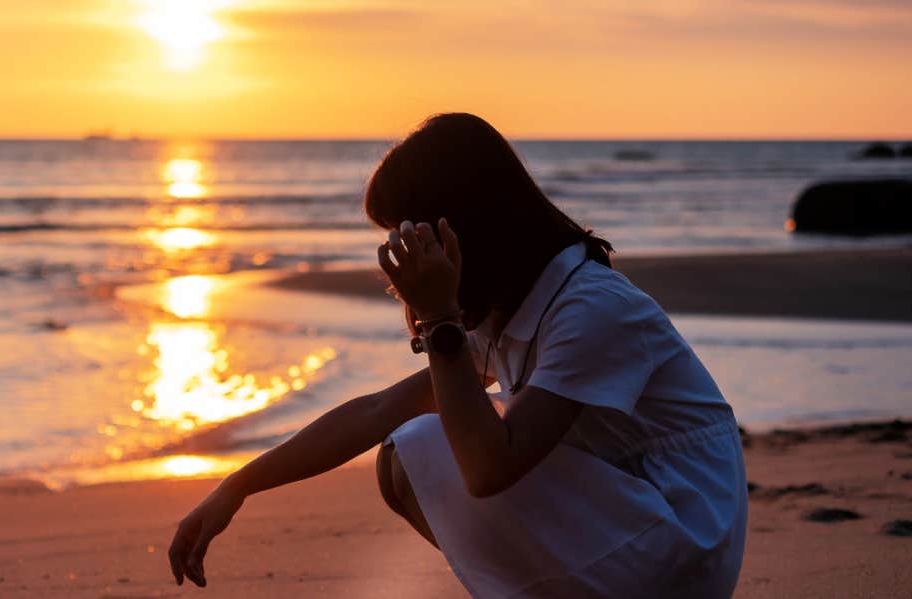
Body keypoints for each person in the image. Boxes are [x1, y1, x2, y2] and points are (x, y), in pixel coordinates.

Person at [168, 113, 748, 598]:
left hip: (683, 542)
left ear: (463, 223)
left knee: (423, 445)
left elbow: (490, 469)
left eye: (408, 229)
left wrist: (440, 318)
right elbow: (375, 410)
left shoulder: (592, 308)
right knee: (403, 449)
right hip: (635, 517)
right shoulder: (512, 306)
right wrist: (237, 485)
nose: (401, 248)